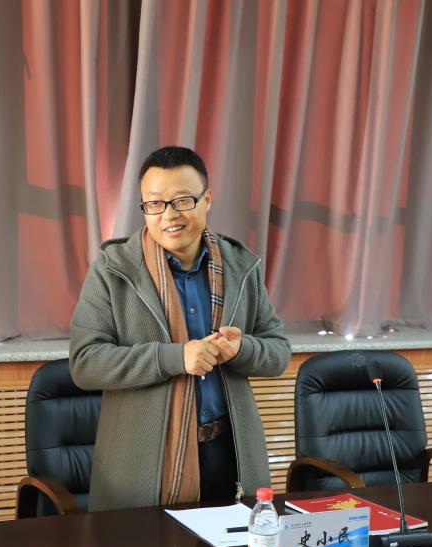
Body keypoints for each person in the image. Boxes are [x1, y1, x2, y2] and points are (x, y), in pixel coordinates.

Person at [70, 146, 291, 511]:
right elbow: (85, 363)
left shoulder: (241, 265)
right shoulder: (113, 269)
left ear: (207, 199)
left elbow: (279, 352)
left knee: (236, 546)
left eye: (183, 201)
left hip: (230, 452)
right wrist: (175, 358)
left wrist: (242, 349)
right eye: (155, 204)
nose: (169, 215)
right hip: (144, 463)